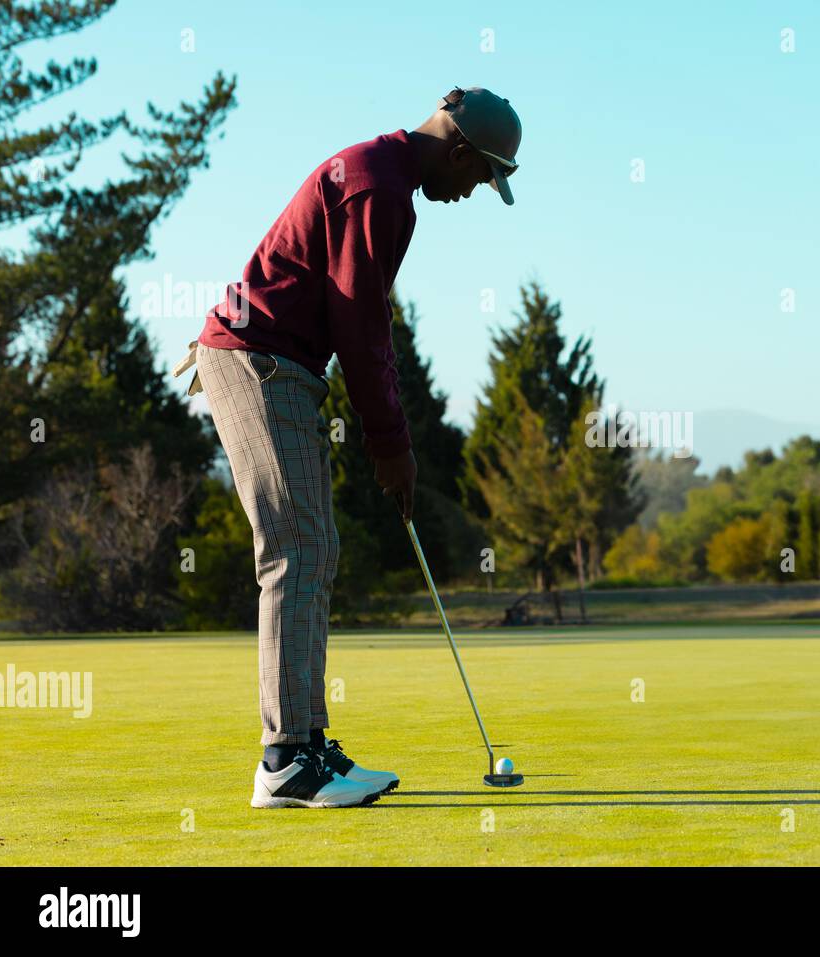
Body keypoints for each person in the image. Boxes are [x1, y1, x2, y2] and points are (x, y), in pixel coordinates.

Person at [174, 87, 522, 809]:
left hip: (268, 359)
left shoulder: (378, 173)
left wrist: (384, 431)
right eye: (481, 177)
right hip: (261, 361)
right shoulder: (383, 191)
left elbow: (349, 311)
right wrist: (390, 441)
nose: (473, 192)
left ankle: (305, 741)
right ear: (460, 152)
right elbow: (360, 323)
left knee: (312, 546)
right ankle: (286, 761)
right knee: (296, 548)